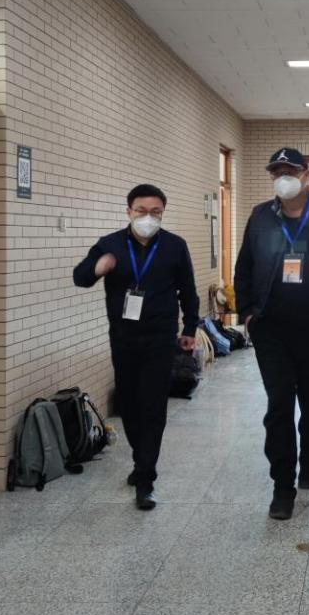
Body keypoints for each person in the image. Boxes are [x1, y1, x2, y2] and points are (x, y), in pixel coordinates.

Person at [234, 148, 309, 520]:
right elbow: (244, 267)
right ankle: (282, 486)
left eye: (290, 171)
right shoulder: (260, 217)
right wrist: (249, 312)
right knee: (279, 407)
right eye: (277, 172)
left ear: (306, 175)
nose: (283, 178)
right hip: (272, 330)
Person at [73, 184, 199, 511]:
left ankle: (146, 479)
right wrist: (98, 268)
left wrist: (189, 328)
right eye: (141, 211)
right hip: (124, 338)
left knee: (153, 406)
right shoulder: (110, 245)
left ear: (162, 214)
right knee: (128, 404)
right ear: (128, 211)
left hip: (161, 337)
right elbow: (80, 277)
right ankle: (141, 459)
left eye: (155, 212)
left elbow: (188, 290)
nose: (148, 217)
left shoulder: (174, 246)